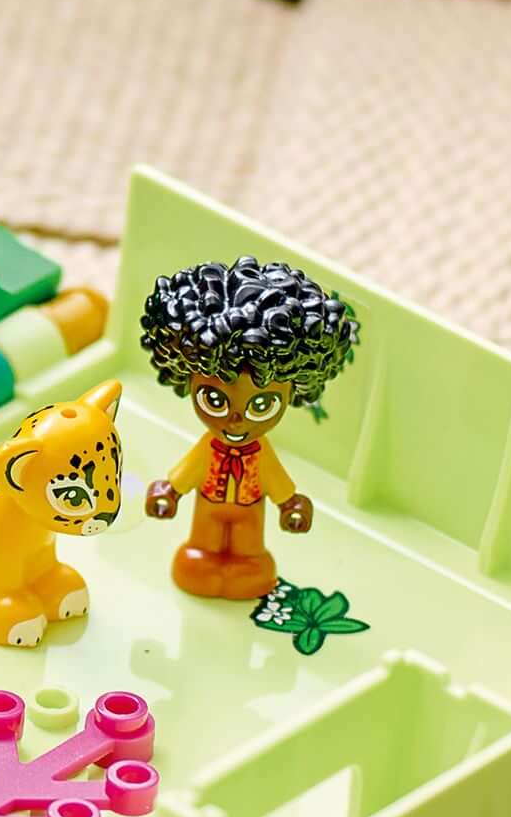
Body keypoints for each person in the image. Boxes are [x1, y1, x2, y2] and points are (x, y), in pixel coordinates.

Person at [139, 255, 362, 603]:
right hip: (209, 506)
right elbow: (186, 473)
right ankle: (203, 561)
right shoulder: (208, 448)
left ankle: (248, 566)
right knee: (201, 548)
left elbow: (277, 482)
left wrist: (290, 505)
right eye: (215, 400)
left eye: (261, 405)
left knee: (249, 550)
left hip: (250, 509)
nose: (236, 421)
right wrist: (170, 492)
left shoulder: (260, 453)